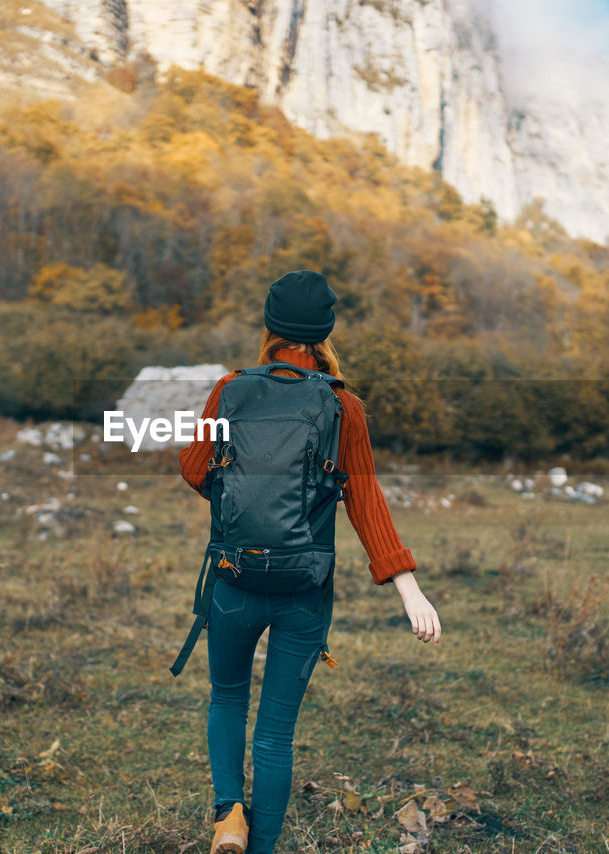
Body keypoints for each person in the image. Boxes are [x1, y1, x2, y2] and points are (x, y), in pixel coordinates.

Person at [177, 269, 442, 854]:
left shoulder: (229, 390)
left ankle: (229, 818)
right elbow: (366, 501)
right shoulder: (342, 405)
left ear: (270, 327)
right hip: (303, 585)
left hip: (233, 578)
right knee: (274, 734)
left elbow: (196, 469)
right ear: (325, 330)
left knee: (226, 697)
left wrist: (242, 492)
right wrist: (409, 591)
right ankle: (263, 845)